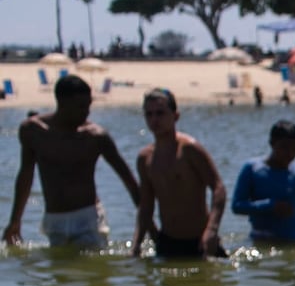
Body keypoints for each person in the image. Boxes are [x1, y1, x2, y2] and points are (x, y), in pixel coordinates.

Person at [4, 74, 139, 250]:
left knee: (89, 270)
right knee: (62, 274)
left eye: (89, 105)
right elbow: (26, 175)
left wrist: (147, 226)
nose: (87, 112)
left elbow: (129, 181)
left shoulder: (95, 136)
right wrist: (15, 221)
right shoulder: (33, 131)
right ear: (62, 103)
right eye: (81, 106)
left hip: (88, 218)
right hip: (54, 219)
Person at [132, 89, 227, 258]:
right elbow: (146, 205)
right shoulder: (145, 158)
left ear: (175, 116)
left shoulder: (189, 149)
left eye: (160, 113)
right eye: (149, 114)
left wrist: (212, 230)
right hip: (168, 241)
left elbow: (218, 188)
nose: (154, 119)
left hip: (201, 241)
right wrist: (137, 244)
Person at [231, 120, 295, 244]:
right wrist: (270, 205)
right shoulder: (252, 170)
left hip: (293, 242)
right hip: (259, 241)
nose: (290, 153)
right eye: (284, 148)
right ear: (272, 143)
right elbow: (237, 206)